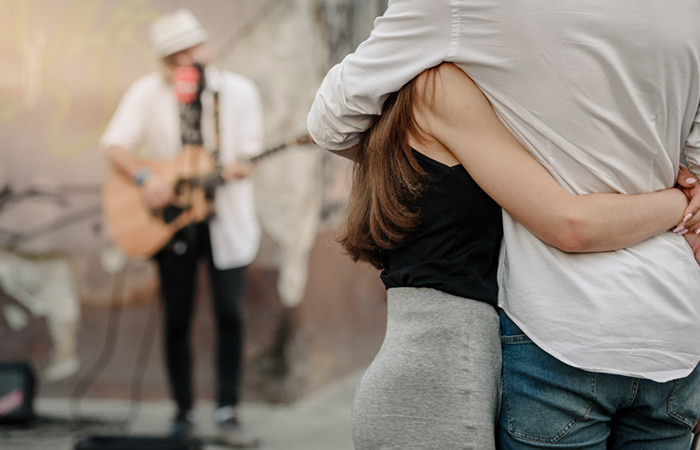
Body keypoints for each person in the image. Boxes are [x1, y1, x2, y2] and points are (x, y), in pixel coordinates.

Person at [308, 1, 700, 448]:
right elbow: (579, 221)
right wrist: (680, 199)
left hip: (537, 341)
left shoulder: (453, 73)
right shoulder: (441, 94)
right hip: (663, 332)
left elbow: (331, 121)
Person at [100, 9, 261, 447]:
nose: (188, 59)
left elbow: (249, 154)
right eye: (176, 54)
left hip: (227, 221)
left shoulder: (239, 93)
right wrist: (144, 179)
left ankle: (228, 411)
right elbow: (115, 144)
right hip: (173, 226)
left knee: (229, 314)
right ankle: (183, 412)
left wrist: (237, 167)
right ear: (165, 62)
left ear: (206, 47)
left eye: (193, 48)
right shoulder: (148, 94)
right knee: (177, 317)